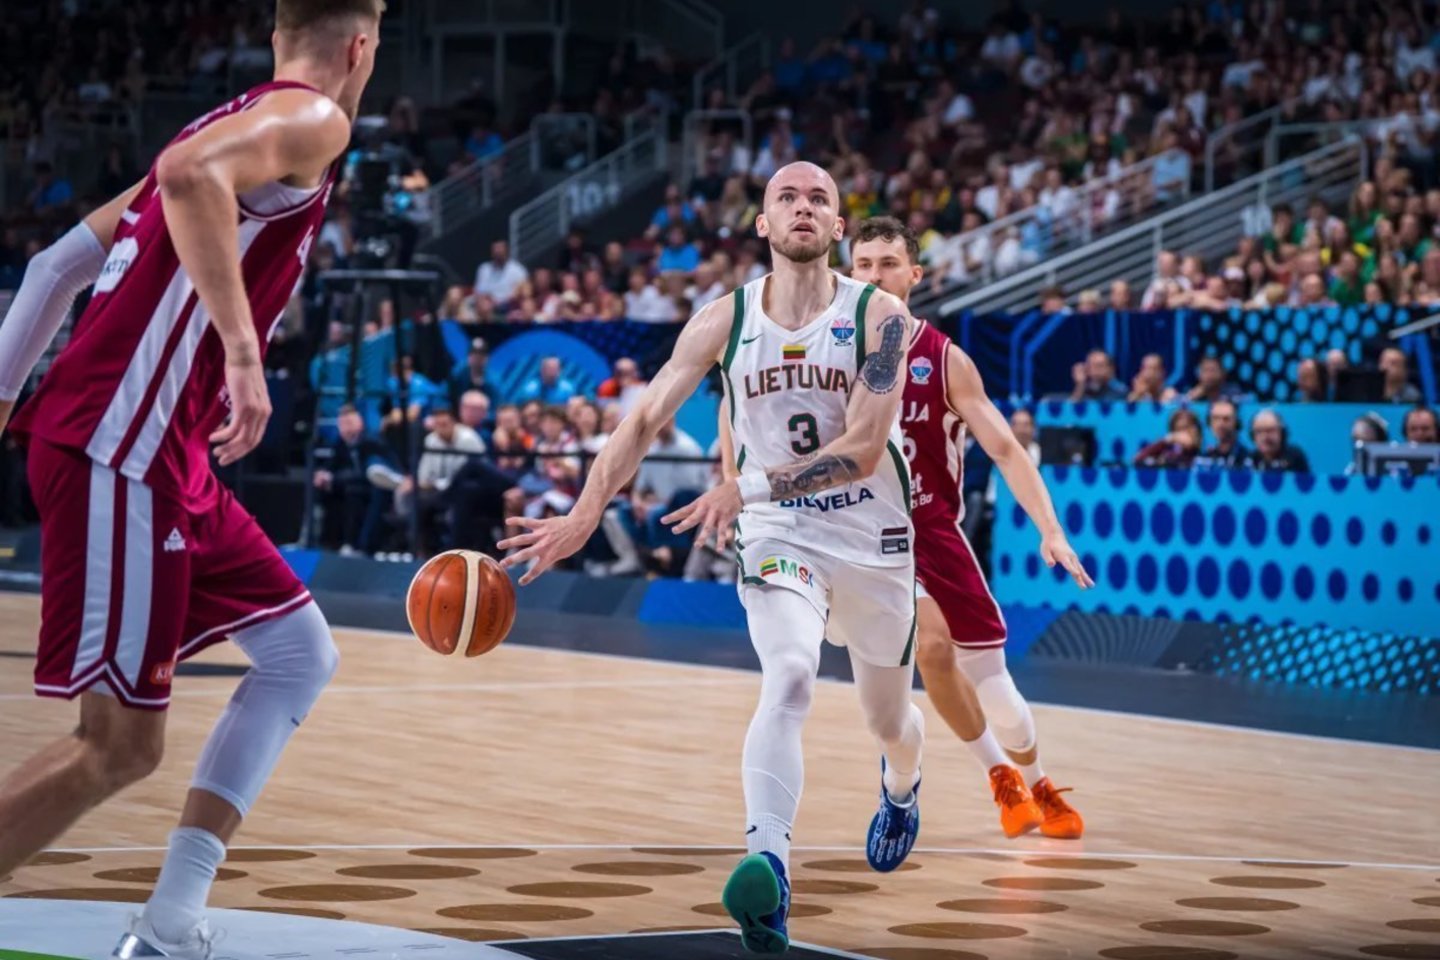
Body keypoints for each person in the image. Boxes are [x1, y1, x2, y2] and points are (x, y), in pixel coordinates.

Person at [0, 2, 382, 956]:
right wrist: (244, 356)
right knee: (118, 748)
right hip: (124, 446)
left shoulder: (226, 121)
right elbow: (188, 175)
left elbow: (50, 269)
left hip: (161, 455)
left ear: (276, 37)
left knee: (300, 654)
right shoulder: (312, 118)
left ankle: (171, 924)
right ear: (360, 48)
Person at [500, 161, 926, 955]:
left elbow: (866, 448)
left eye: (819, 198)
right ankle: (769, 868)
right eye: (786, 197)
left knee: (889, 720)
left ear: (839, 227)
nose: (803, 207)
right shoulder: (721, 321)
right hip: (779, 532)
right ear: (762, 224)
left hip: (873, 539)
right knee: (790, 675)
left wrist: (746, 483)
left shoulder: (881, 316)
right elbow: (641, 422)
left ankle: (901, 787)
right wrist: (585, 514)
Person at [723, 216, 1091, 842]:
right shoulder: (825, 340)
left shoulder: (944, 358)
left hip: (934, 529)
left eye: (888, 264)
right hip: (856, 530)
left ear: (915, 275)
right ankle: (997, 773)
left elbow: (1005, 448)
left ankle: (1036, 777)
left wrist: (1050, 529)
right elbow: (739, 403)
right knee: (932, 650)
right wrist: (736, 485)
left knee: (999, 693)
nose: (875, 277)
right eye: (863, 265)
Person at [1246, 409, 1311, 472]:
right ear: (1252, 436)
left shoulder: (1294, 457)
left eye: (1270, 431)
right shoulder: (1250, 459)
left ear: (1282, 433)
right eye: (1259, 432)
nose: (1265, 437)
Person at [1195, 399, 1248, 468]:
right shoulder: (1204, 457)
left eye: (1226, 419)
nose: (1220, 424)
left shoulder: (1247, 458)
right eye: (1215, 418)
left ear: (1237, 423)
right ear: (1209, 422)